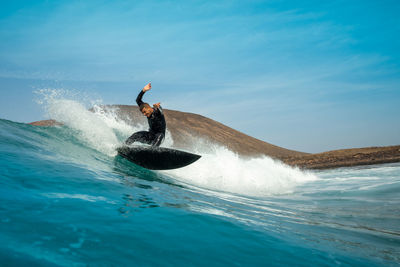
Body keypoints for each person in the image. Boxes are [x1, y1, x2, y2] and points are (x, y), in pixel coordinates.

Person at [125, 82, 166, 147]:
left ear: (149, 108)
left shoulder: (157, 111)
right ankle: (124, 146)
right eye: (143, 113)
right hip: (150, 136)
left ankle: (152, 151)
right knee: (135, 135)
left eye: (145, 112)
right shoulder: (145, 108)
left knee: (160, 136)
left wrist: (157, 107)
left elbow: (160, 111)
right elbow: (138, 100)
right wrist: (143, 90)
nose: (144, 114)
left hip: (160, 137)